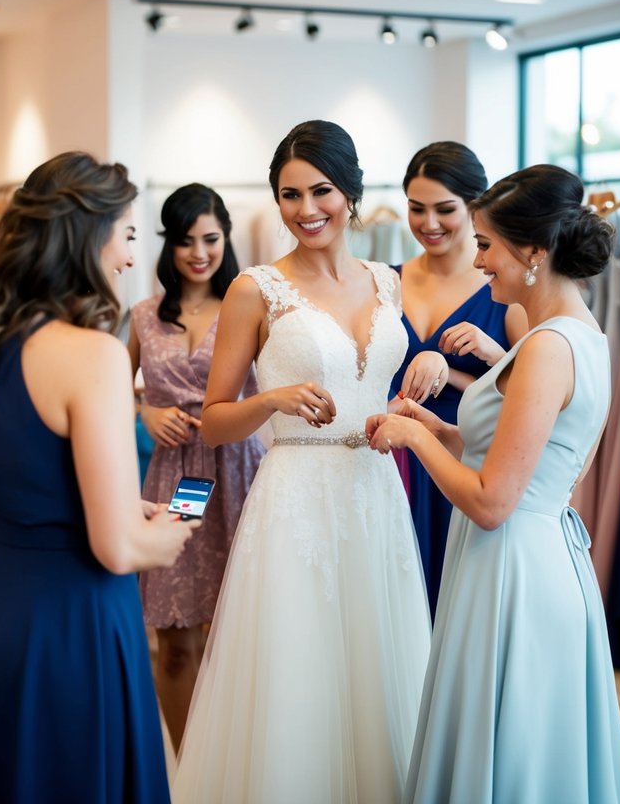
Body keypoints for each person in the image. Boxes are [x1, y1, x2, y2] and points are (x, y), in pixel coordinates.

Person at [172, 120, 430, 802]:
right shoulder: (255, 289)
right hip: (294, 492)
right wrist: (273, 398)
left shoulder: (387, 282)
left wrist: (427, 364)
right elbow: (214, 420)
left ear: (349, 191)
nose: (305, 209)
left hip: (374, 488)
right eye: (289, 195)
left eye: (320, 191)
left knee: (378, 660)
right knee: (300, 664)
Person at [0, 151, 194, 803]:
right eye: (128, 235)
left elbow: (31, 481)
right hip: (67, 622)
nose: (132, 257)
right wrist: (170, 532)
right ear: (89, 237)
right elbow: (117, 546)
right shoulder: (93, 354)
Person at [365, 165, 620, 802]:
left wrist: (412, 439)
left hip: (513, 567)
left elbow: (492, 501)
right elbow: (517, 455)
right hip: (529, 555)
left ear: (534, 253)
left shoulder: (546, 349)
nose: (479, 261)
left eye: (487, 244)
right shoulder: (576, 335)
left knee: (512, 756)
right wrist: (433, 423)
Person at [127, 183, 265, 751]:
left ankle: (233, 763)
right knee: (175, 631)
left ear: (226, 238)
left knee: (230, 633)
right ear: (169, 245)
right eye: (186, 241)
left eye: (210, 239)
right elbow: (108, 389)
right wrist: (147, 410)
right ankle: (186, 766)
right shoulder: (141, 315)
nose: (199, 252)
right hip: (177, 480)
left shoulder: (251, 302)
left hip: (234, 470)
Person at [390, 142, 526, 615]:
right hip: (392, 468)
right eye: (416, 208)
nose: (429, 224)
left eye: (444, 209)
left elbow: (533, 400)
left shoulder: (506, 292)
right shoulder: (383, 282)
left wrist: (457, 375)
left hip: (464, 468)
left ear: (474, 206)